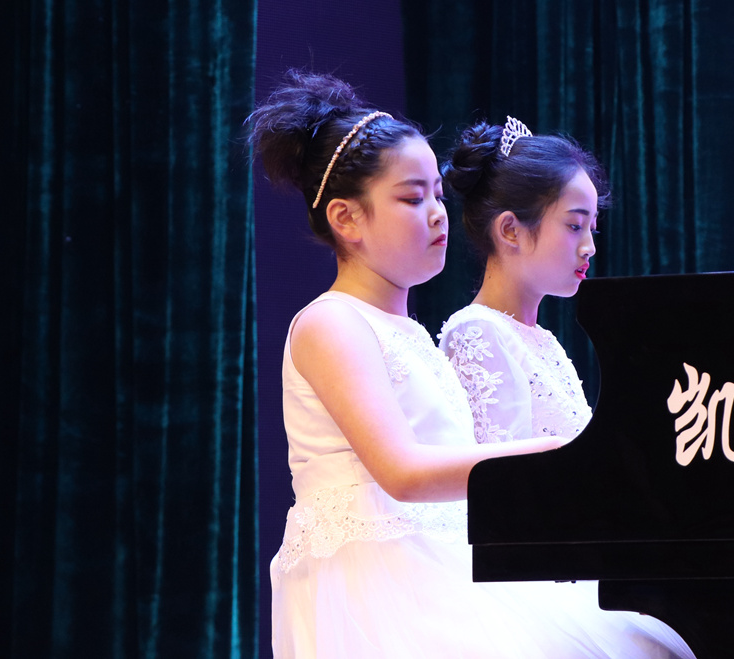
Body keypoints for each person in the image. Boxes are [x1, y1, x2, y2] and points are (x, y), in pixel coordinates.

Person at [248, 72, 692, 659]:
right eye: (413, 198)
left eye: (438, 194)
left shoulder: (411, 333)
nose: (438, 214)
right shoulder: (330, 323)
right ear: (346, 218)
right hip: (378, 582)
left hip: (439, 564)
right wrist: (566, 453)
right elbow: (403, 472)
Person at [438, 117, 606, 444]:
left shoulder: (542, 340)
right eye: (575, 226)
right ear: (510, 230)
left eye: (592, 229)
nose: (590, 247)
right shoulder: (478, 333)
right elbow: (504, 469)